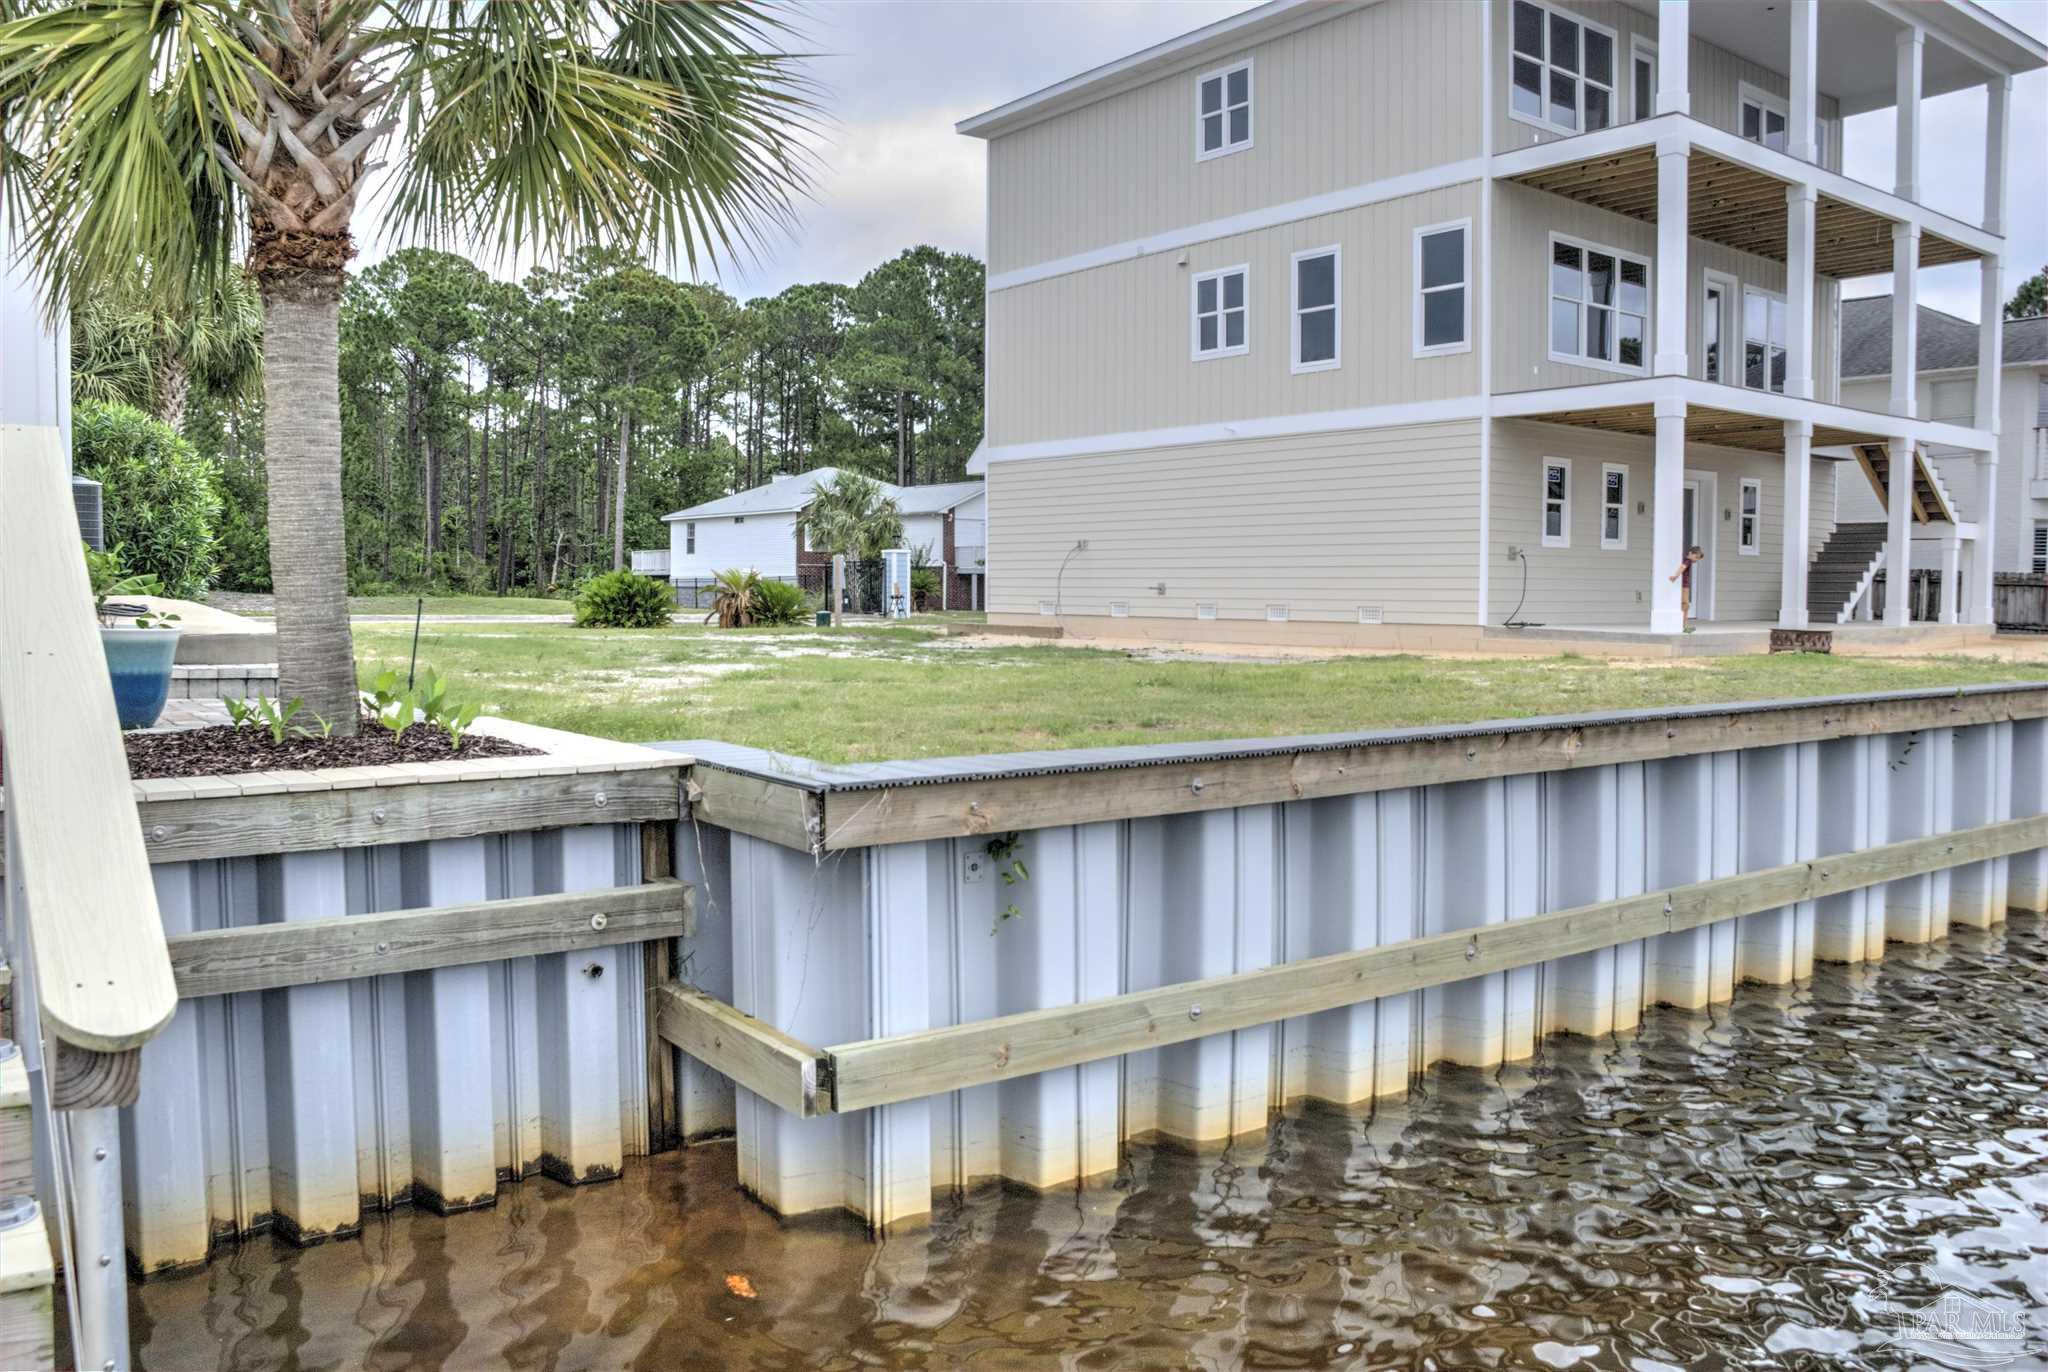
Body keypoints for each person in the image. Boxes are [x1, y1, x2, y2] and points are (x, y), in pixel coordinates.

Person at [1668, 545, 1704, 631]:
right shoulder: (1687, 561)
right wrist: (1675, 576)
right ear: (1691, 553)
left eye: (1698, 558)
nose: (1696, 560)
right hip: (1684, 586)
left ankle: (1683, 625)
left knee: (1684, 605)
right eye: (1696, 557)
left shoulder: (1687, 560)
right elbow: (1682, 567)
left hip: (1685, 586)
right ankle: (1683, 626)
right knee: (1685, 605)